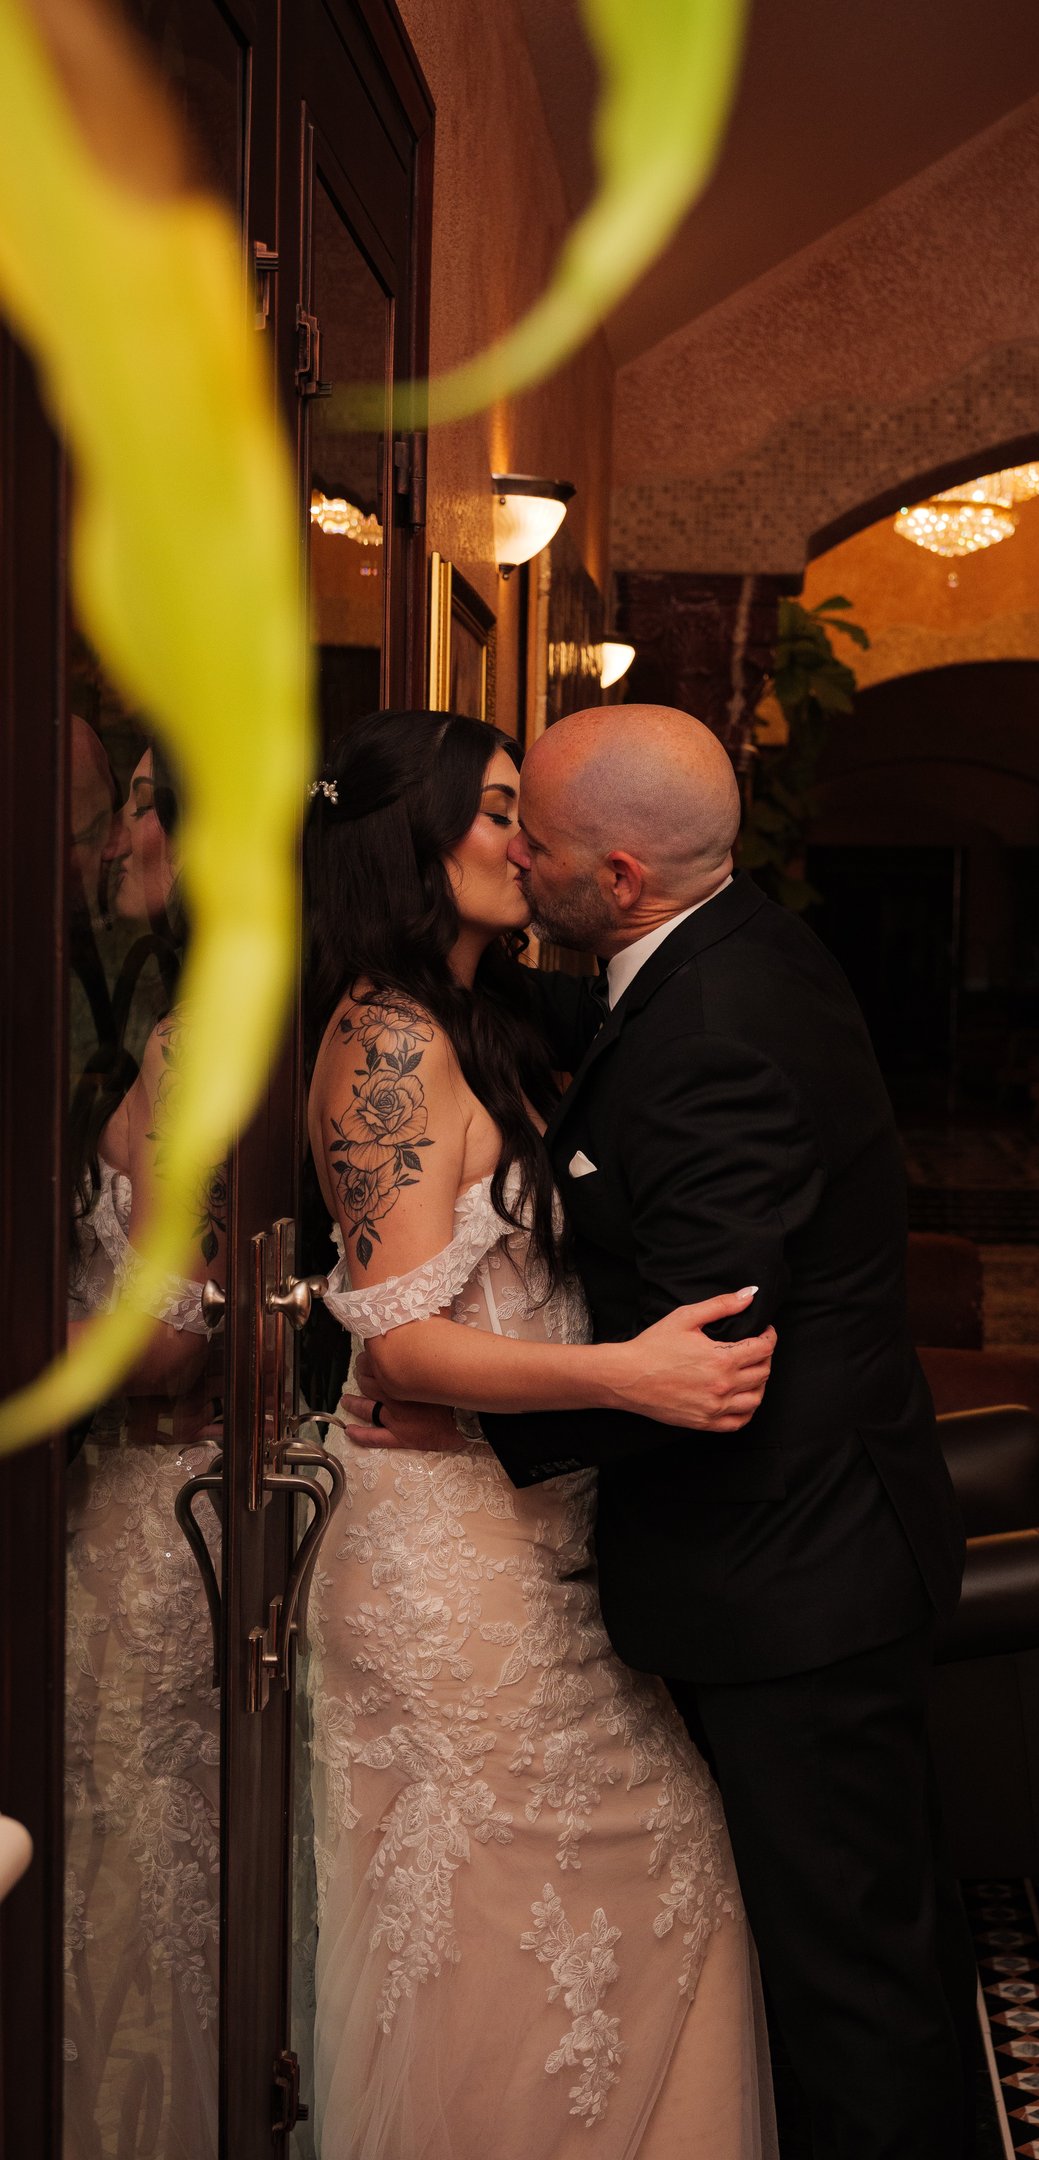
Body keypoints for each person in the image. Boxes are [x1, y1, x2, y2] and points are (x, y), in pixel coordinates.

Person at [356, 703, 972, 2160]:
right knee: (844, 1968)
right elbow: (597, 1032)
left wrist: (463, 1417)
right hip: (805, 1551)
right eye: (494, 824)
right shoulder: (714, 950)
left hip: (794, 1579)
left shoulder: (720, 1030)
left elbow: (701, 1362)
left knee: (851, 1999)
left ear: (618, 881)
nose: (517, 854)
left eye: (538, 837)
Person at [301, 708, 778, 2160]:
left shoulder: (482, 1023)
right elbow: (399, 1339)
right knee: (512, 1922)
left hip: (523, 1545)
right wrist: (629, 1378)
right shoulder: (383, 1041)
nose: (528, 842)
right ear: (412, 841)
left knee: (625, 1887)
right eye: (499, 812)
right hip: (443, 1564)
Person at [64, 741, 226, 2160]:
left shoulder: (193, 1043)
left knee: (138, 1857)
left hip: (153, 1497)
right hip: (216, 1501)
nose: (116, 836)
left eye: (132, 802)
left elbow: (168, 1332)